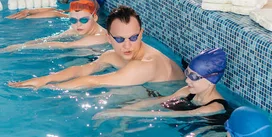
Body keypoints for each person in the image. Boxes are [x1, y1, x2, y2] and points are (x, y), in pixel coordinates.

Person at [9, 5, 185, 90]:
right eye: (119, 39)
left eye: (133, 37)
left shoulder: (145, 64)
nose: (127, 45)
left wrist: (48, 87)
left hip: (180, 111)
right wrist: (45, 78)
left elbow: (93, 81)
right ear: (108, 38)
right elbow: (82, 70)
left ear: (141, 34)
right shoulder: (112, 55)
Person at [92, 48, 232, 124]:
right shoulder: (188, 91)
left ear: (211, 80)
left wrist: (126, 114)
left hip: (208, 132)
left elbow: (172, 114)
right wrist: (125, 108)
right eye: (187, 73)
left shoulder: (215, 107)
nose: (187, 80)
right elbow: (158, 101)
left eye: (194, 77)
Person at [0, 0, 108, 52]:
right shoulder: (79, 28)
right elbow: (51, 39)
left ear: (95, 17)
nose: (78, 24)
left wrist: (22, 47)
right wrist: (22, 44)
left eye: (83, 20)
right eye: (73, 20)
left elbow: (64, 45)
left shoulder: (100, 36)